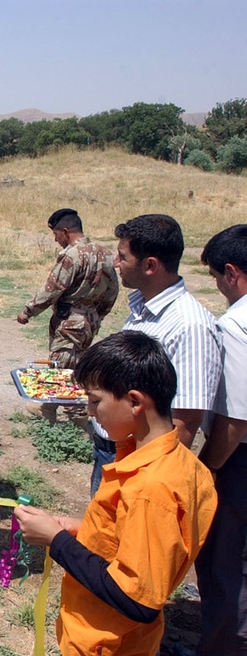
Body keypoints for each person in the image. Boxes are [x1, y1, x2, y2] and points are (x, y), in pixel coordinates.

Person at [14, 331, 217, 655]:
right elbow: (142, 540)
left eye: (95, 401)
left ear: (135, 401)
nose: (91, 413)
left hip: (107, 643)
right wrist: (83, 530)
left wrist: (58, 541)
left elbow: (137, 600)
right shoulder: (181, 464)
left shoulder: (150, 489)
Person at [89, 214, 221, 494]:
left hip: (140, 464)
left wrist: (142, 483)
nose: (116, 263)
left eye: (123, 257)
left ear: (150, 265)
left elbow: (186, 421)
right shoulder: (143, 310)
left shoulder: (190, 326)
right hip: (115, 451)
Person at [195, 224, 247, 655]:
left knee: (224, 564)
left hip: (239, 463)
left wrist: (205, 472)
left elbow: (234, 421)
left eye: (214, 277)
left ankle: (221, 646)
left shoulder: (235, 326)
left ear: (232, 273)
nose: (216, 287)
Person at [16, 208, 118, 423]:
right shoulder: (106, 253)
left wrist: (28, 311)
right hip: (89, 321)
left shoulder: (73, 255)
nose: (56, 240)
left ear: (65, 231)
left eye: (56, 235)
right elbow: (112, 292)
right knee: (76, 363)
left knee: (62, 367)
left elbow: (53, 288)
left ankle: (77, 415)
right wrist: (96, 315)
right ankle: (48, 407)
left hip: (69, 320)